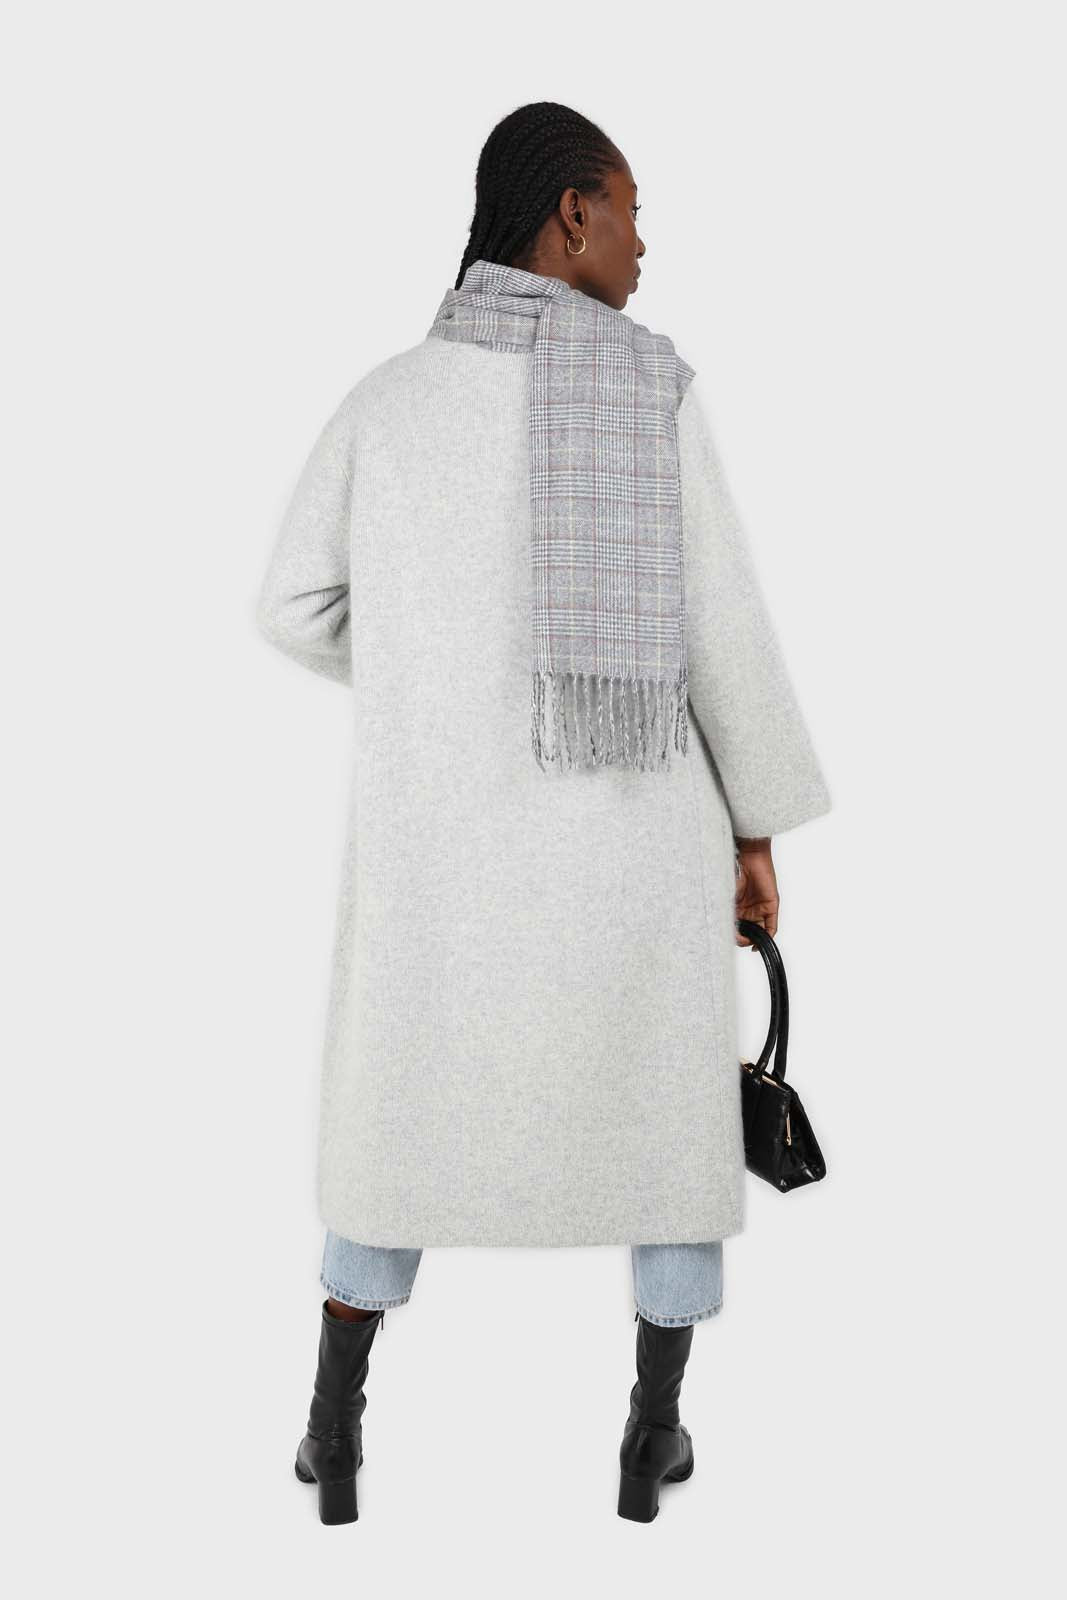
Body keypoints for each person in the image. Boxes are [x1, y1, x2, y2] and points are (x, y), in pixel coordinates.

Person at [255, 100, 831, 1526]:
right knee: (666, 1133)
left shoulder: (389, 400)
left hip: (439, 852)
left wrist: (430, 681)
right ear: (572, 213)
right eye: (631, 210)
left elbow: (293, 605)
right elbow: (723, 639)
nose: (642, 243)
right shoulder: (654, 391)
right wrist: (755, 831)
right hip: (633, 847)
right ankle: (650, 1440)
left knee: (394, 1120)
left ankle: (335, 1437)